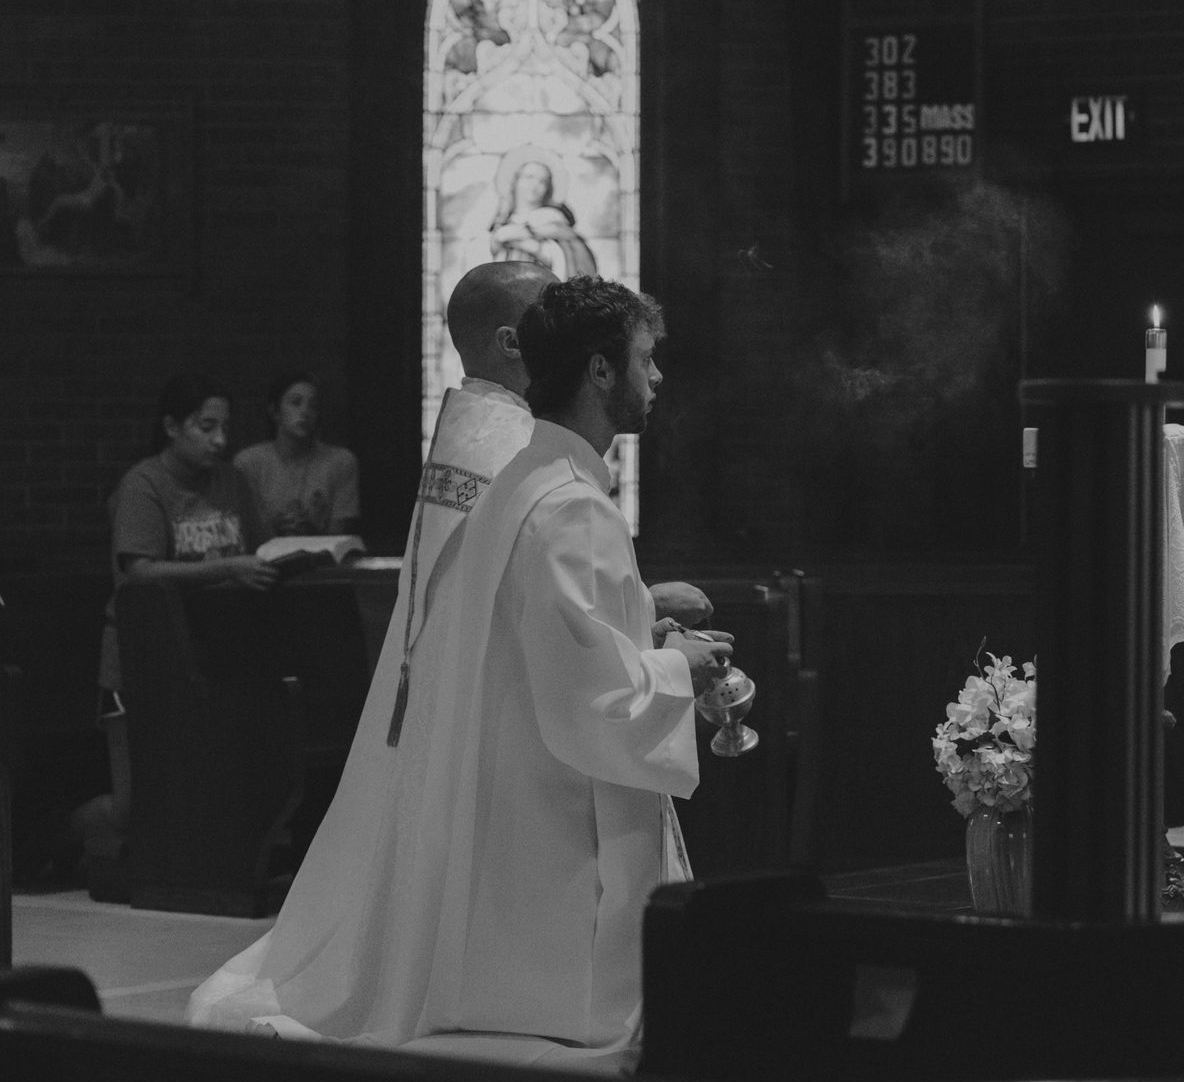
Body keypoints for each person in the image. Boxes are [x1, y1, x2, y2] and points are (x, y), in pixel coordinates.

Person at [190, 269, 723, 1069]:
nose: (657, 378)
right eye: (644, 358)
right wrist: (677, 665)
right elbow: (597, 700)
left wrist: (637, 617)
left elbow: (528, 618)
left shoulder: (520, 469)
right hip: (552, 782)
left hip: (506, 748)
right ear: (599, 369)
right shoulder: (569, 498)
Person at [82, 374, 275, 896]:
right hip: (142, 657)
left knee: (203, 782)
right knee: (133, 806)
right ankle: (57, 834)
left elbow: (262, 549)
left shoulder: (231, 481)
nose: (218, 440)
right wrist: (229, 568)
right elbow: (139, 570)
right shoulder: (144, 484)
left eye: (224, 428)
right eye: (205, 427)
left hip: (213, 652)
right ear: (171, 427)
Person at [233, 372, 361, 537]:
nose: (305, 412)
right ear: (275, 411)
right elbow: (244, 533)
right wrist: (273, 527)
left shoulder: (340, 461)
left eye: (313, 405)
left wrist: (310, 532)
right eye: (295, 403)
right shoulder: (249, 462)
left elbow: (340, 535)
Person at [488, 156, 596, 280]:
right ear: (515, 181)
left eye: (542, 181)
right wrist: (496, 242)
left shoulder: (553, 220)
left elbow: (576, 262)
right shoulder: (501, 221)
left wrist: (540, 251)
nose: (535, 185)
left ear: (548, 189)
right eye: (529, 177)